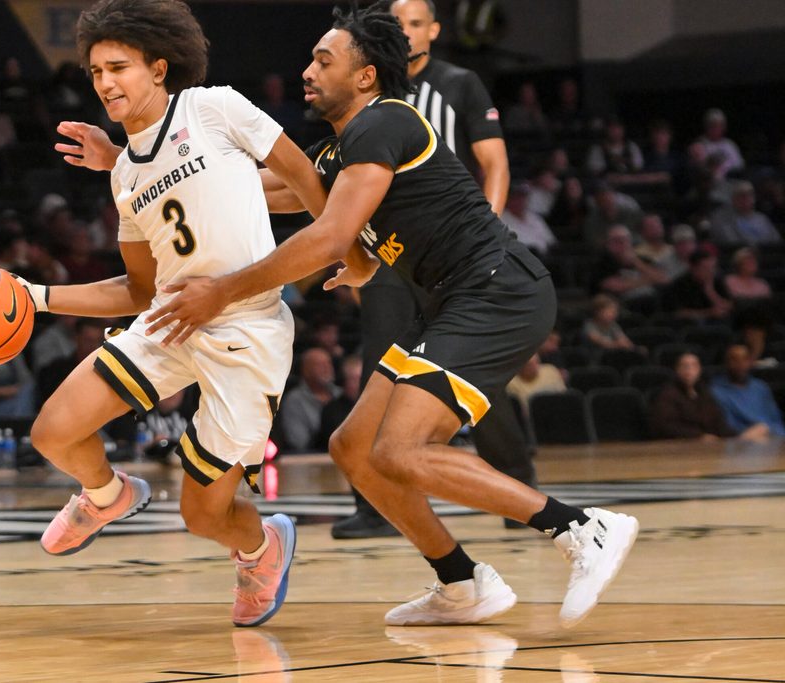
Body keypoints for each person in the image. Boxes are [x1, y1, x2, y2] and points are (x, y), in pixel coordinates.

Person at [143, 4, 638, 629]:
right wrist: (136, 166)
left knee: (401, 451)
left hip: (495, 292)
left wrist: (222, 290)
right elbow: (250, 191)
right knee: (353, 447)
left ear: (368, 76)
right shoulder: (344, 149)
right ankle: (462, 584)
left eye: (325, 60)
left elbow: (327, 237)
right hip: (445, 300)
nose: (307, 70)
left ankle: (582, 527)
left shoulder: (386, 122)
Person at [17, 0, 330, 627]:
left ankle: (261, 548)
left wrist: (347, 245)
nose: (105, 82)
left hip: (245, 329)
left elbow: (305, 181)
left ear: (159, 68)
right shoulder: (125, 172)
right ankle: (106, 496)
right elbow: (139, 290)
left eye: (119, 67)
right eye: (97, 71)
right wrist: (36, 297)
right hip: (170, 320)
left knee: (202, 516)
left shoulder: (214, 107)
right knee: (52, 430)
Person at [334, 0, 533, 541]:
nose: (406, 31)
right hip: (391, 255)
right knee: (379, 366)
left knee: (468, 377)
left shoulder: (460, 83)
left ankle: (518, 486)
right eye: (397, 23)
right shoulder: (364, 95)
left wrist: (480, 240)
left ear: (435, 31)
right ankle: (375, 505)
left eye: (416, 23)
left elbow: (494, 164)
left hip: (458, 251)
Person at [650, 352, 737, 441]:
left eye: (694, 366)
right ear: (677, 370)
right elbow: (666, 426)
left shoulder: (704, 393)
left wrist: (734, 437)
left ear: (699, 370)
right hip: (680, 446)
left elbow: (718, 422)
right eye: (684, 366)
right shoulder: (668, 394)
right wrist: (699, 436)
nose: (689, 370)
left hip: (709, 445)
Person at [711, 345, 785, 438]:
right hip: (741, 441)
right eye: (734, 359)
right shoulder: (716, 391)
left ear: (750, 362)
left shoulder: (761, 387)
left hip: (772, 437)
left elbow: (776, 419)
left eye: (744, 359)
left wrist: (769, 430)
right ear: (726, 363)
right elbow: (728, 427)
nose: (740, 364)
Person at [278, 347, 341, 453]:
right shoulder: (294, 401)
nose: (327, 368)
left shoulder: (341, 395)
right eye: (320, 365)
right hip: (309, 459)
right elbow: (298, 443)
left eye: (328, 363)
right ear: (306, 370)